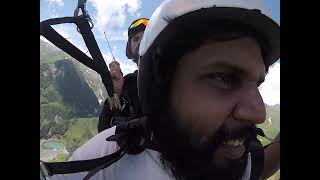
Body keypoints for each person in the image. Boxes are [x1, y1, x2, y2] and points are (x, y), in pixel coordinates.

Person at [52, 0, 280, 179]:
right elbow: (106, 131)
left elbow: (256, 167)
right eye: (224, 78)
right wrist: (116, 95)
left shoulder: (228, 156)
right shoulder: (106, 157)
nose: (259, 113)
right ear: (160, 84)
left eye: (257, 84)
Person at [98, 18, 149, 132]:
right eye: (136, 39)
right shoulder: (127, 84)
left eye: (146, 37)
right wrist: (115, 94)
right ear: (130, 49)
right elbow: (103, 131)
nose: (140, 42)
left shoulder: (174, 75)